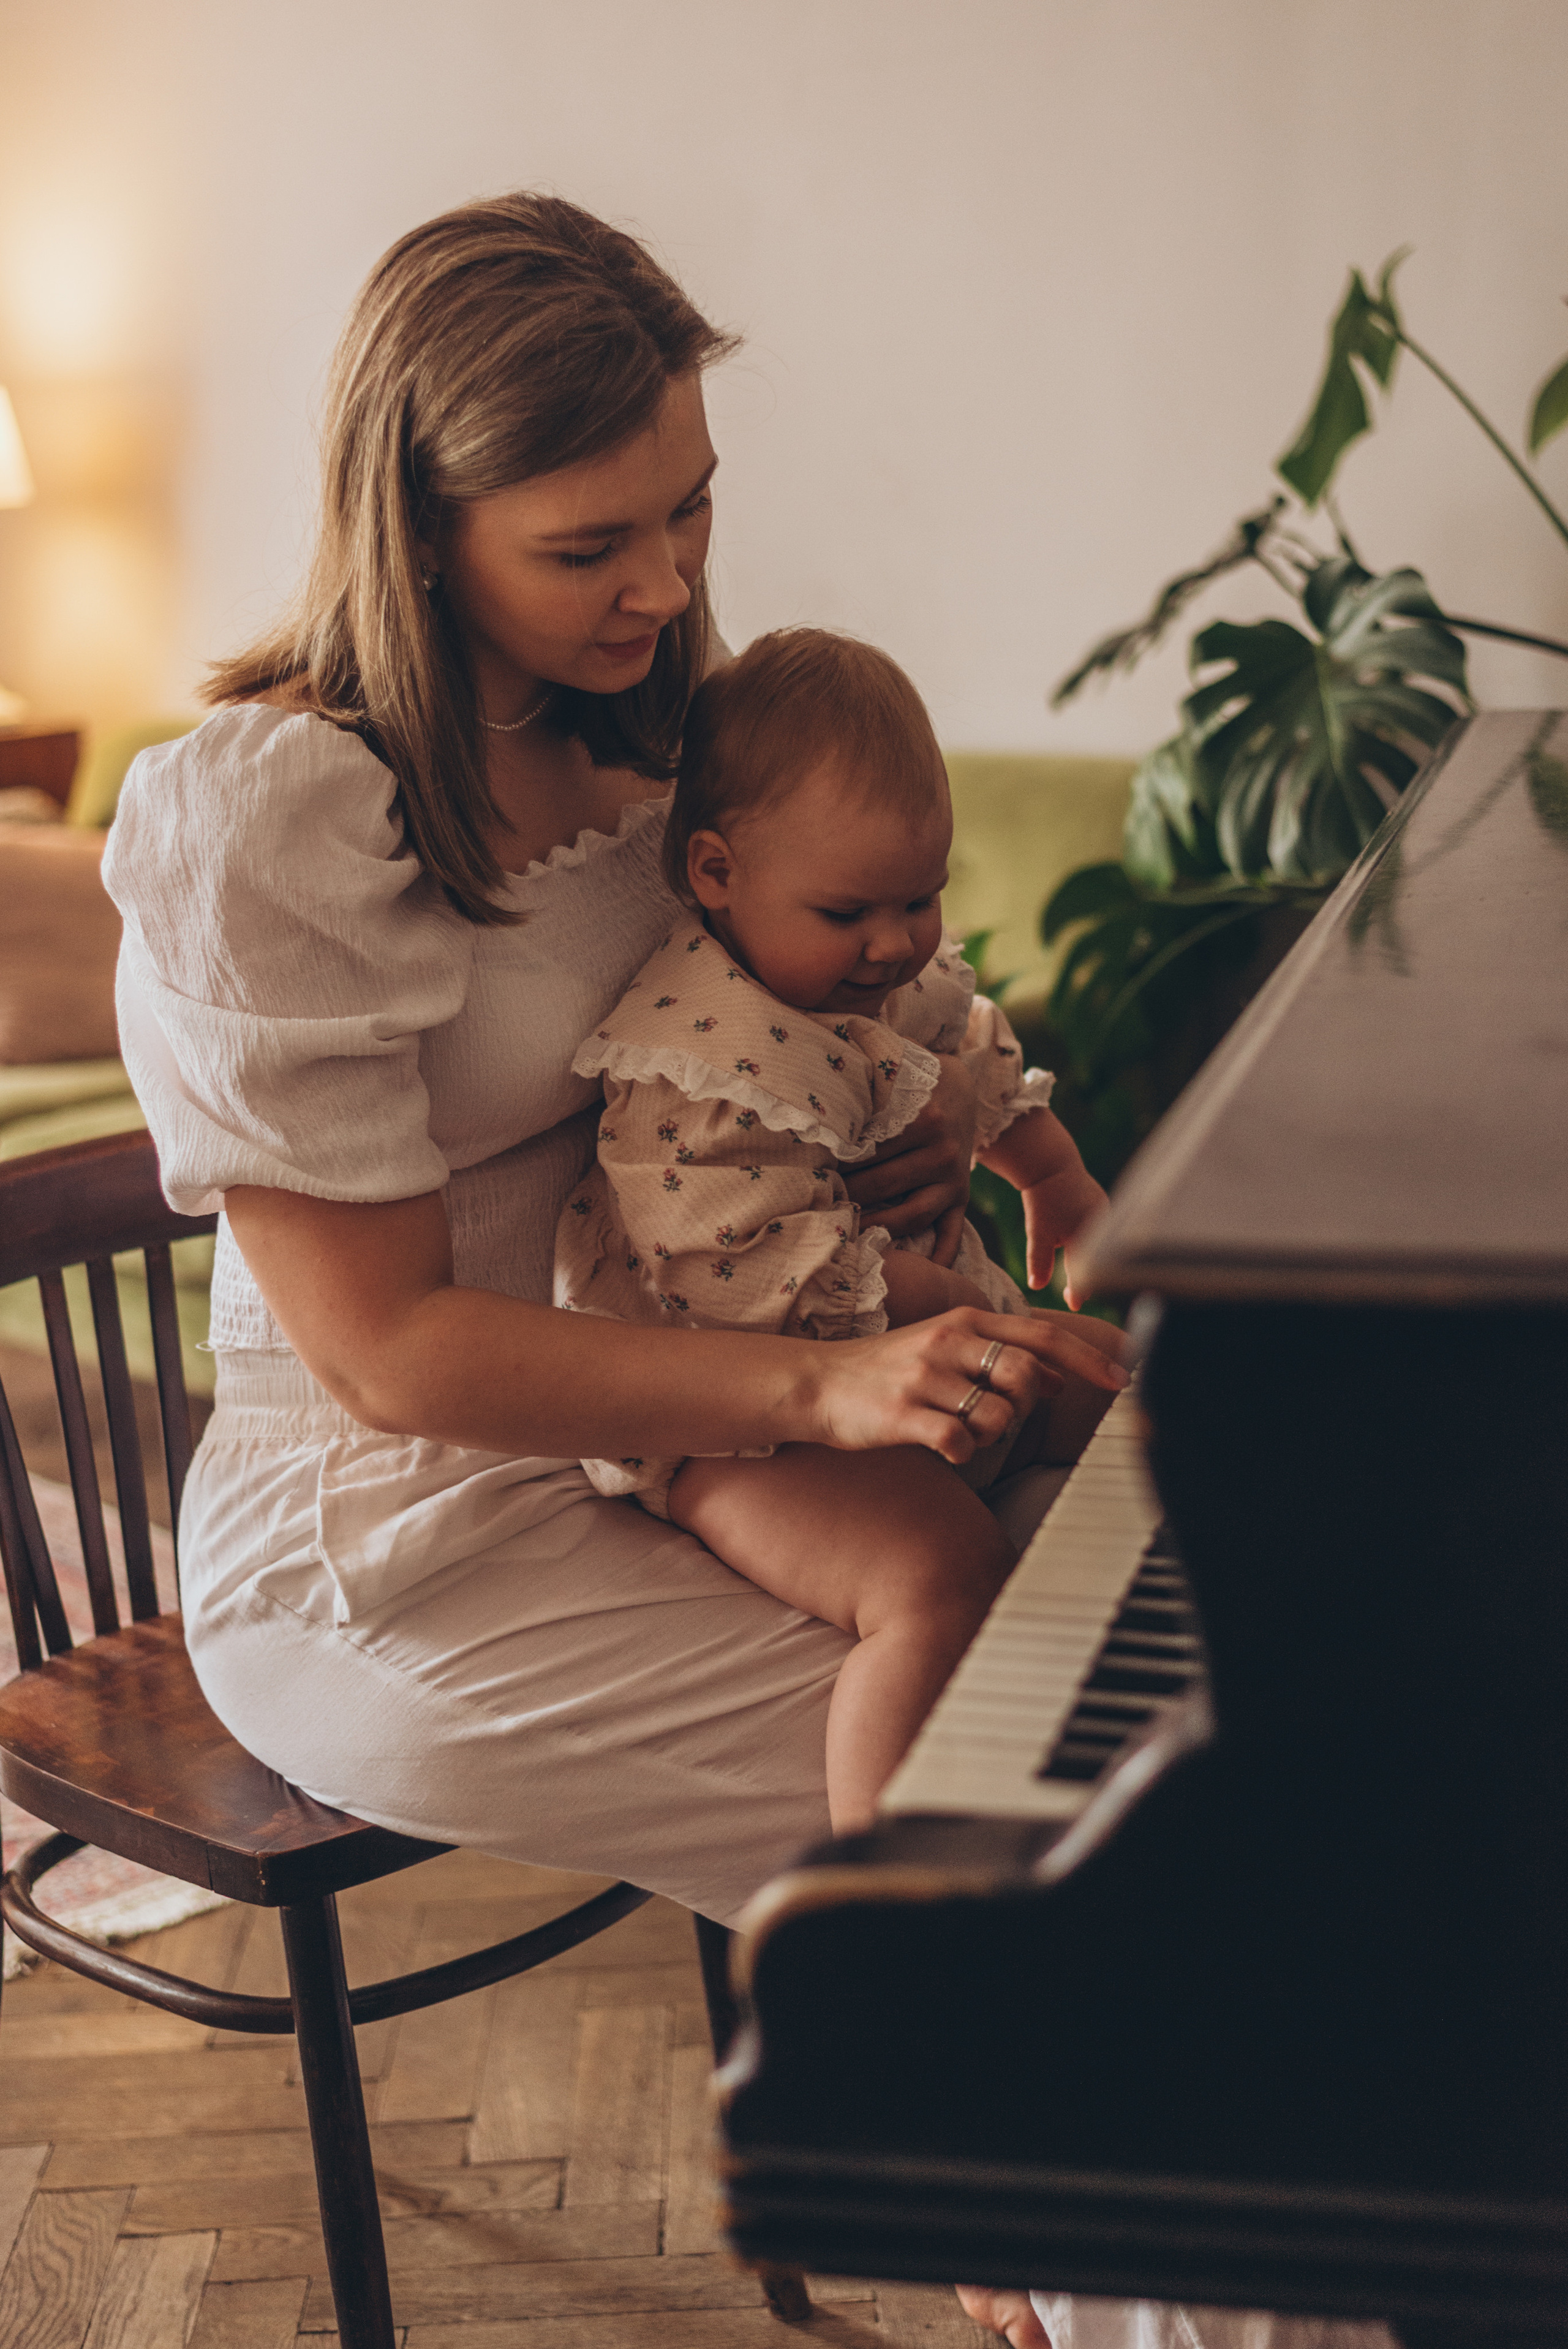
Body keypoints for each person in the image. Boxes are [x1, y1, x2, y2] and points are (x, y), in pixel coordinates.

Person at [103, 189, 1121, 2349]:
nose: (664, 587)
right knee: (1051, 1798)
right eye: (591, 546)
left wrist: (959, 1154)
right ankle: (976, 2172)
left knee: (1122, 1641)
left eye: (690, 512)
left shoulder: (676, 730)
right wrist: (832, 1394)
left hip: (681, 1409)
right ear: (419, 512)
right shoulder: (272, 813)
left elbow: (819, 1040)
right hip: (392, 1538)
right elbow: (381, 1354)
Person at [554, 626, 1117, 1831]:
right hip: (733, 1415)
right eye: (850, 909)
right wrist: (966, 1319)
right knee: (933, 1573)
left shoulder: (872, 970)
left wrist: (1050, 1178)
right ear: (714, 872)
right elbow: (735, 1275)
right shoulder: (694, 1058)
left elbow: (974, 1054)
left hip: (914, 1335)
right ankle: (880, 1900)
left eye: (923, 896)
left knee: (1125, 1404)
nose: (896, 939)